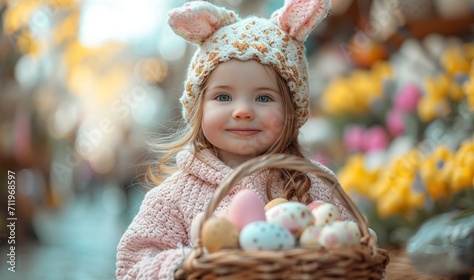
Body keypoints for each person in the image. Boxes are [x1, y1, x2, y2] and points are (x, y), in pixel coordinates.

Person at [116, 0, 353, 279]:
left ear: (292, 111)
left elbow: (354, 246)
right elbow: (133, 266)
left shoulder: (314, 185)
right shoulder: (173, 197)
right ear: (199, 107)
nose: (242, 111)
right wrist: (194, 264)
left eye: (263, 98)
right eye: (223, 97)